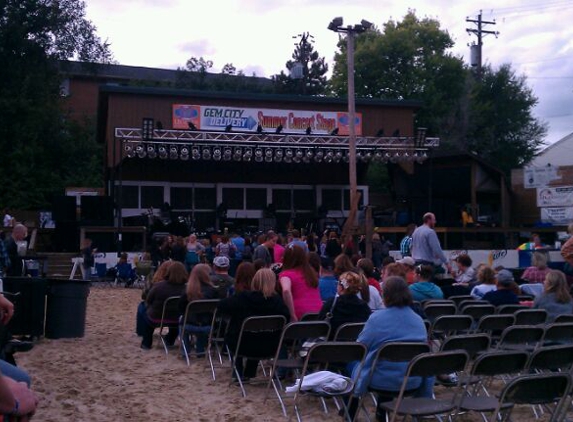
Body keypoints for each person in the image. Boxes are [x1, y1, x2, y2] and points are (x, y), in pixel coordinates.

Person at [351, 276, 433, 422]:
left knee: (355, 365)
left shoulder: (376, 318)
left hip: (381, 380)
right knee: (386, 363)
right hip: (412, 380)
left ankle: (350, 412)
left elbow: (361, 347)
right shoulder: (418, 320)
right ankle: (380, 413)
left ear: (385, 295)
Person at [217, 268, 290, 380]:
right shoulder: (277, 301)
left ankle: (238, 372)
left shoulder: (244, 298)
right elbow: (287, 317)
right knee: (258, 334)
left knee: (239, 331)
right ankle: (249, 372)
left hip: (241, 346)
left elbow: (221, 306)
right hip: (270, 347)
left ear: (254, 281)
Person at [140, 261, 187, 350]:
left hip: (157, 317)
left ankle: (146, 343)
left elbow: (148, 300)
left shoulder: (159, 286)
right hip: (178, 318)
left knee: (146, 317)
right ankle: (169, 341)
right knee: (175, 322)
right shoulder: (186, 288)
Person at [178, 263, 222, 357]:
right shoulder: (213, 291)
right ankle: (200, 349)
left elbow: (181, 308)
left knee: (182, 320)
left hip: (189, 325)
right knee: (204, 317)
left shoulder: (187, 291)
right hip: (208, 326)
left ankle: (185, 351)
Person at [318, 271, 371, 338]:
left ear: (341, 287)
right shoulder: (364, 307)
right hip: (355, 345)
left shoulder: (331, 304)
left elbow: (320, 325)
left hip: (331, 345)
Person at [279, 245, 322, 321]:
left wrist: (292, 315)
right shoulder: (310, 272)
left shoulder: (286, 274)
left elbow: (286, 290)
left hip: (300, 313)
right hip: (318, 312)